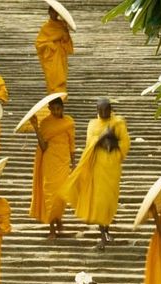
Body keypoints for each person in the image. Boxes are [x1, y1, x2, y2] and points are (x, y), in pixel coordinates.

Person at [58, 98, 130, 250]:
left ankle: (107, 230)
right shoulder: (92, 125)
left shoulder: (118, 123)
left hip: (112, 167)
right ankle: (103, 236)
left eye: (106, 110)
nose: (104, 113)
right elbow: (89, 145)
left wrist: (113, 142)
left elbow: (125, 143)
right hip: (97, 167)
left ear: (111, 109)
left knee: (109, 202)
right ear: (97, 110)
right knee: (99, 202)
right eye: (101, 110)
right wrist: (103, 137)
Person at [29, 97, 75, 239]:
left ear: (62, 108)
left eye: (58, 109)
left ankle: (58, 218)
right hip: (50, 161)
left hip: (63, 161)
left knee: (61, 194)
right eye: (53, 109)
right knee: (50, 194)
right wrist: (36, 127)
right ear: (49, 109)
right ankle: (52, 229)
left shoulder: (69, 122)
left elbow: (72, 144)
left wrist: (74, 163)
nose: (56, 111)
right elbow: (43, 147)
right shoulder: (45, 123)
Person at [35, 6, 74, 93]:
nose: (54, 14)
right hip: (51, 58)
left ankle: (61, 100)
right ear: (49, 12)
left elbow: (67, 43)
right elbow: (39, 44)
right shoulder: (46, 27)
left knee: (61, 78)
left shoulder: (62, 25)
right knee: (53, 80)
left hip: (60, 56)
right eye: (52, 12)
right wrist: (50, 44)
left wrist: (65, 35)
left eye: (56, 12)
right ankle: (53, 101)